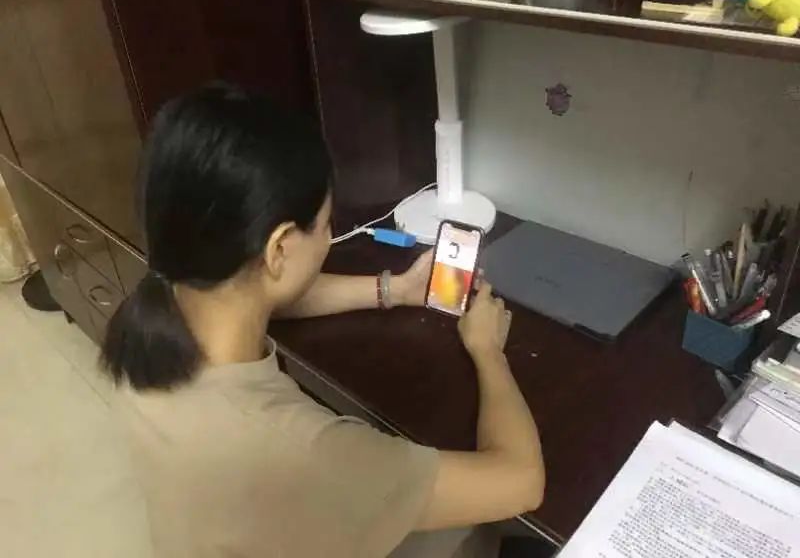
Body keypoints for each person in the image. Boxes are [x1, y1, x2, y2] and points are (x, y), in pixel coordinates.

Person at [102, 83, 545, 558]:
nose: (330, 238)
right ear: (279, 248)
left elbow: (263, 294)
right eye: (328, 222)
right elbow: (521, 483)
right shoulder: (304, 452)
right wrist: (487, 350)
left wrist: (394, 289)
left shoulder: (147, 320)